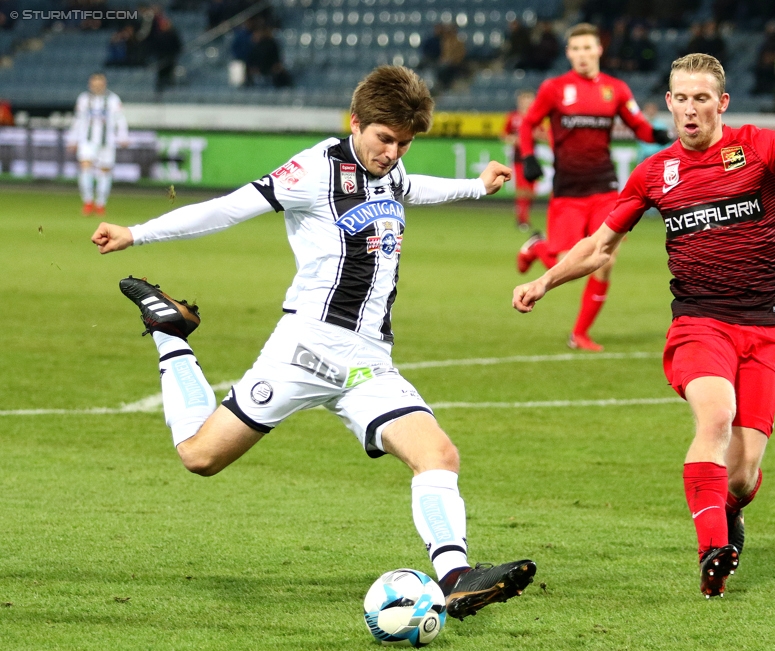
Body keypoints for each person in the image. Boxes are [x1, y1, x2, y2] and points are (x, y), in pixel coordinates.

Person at [90, 65, 536, 619]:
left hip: (370, 362)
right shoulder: (313, 169)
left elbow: (412, 187)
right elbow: (229, 207)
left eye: (404, 143)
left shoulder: (391, 172)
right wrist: (139, 233)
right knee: (200, 457)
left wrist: (476, 184)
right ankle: (170, 334)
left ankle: (458, 578)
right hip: (306, 350)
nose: (393, 152)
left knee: (438, 454)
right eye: (384, 139)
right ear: (355, 122)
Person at [513, 53, 775, 599]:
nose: (690, 110)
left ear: (722, 103)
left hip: (767, 326)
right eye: (681, 99)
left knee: (742, 474)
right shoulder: (654, 173)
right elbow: (599, 245)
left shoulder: (762, 146)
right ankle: (712, 552)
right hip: (699, 322)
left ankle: (730, 511)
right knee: (715, 417)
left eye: (701, 99)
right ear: (668, 103)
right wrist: (545, 281)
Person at [515, 22, 670, 352]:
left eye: (589, 48)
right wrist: (529, 157)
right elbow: (528, 123)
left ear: (599, 49)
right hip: (568, 191)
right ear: (568, 53)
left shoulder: (616, 89)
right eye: (576, 49)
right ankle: (535, 247)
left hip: (605, 188)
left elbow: (638, 125)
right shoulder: (555, 88)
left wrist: (658, 135)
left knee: (605, 259)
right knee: (562, 259)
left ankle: (580, 334)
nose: (583, 55)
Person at [67, 73, 128, 216]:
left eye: (100, 83)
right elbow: (78, 120)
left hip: (107, 142)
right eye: (94, 83)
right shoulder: (83, 99)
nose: (97, 86)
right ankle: (88, 201)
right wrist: (72, 139)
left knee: (104, 172)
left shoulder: (113, 100)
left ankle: (100, 203)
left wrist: (123, 136)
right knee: (85, 166)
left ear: (104, 84)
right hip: (87, 141)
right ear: (90, 84)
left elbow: (120, 119)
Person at [502, 89, 548, 231]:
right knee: (522, 189)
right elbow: (504, 135)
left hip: (532, 157)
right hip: (518, 158)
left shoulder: (536, 118)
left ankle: (523, 215)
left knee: (531, 190)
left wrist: (534, 136)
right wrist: (513, 140)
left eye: (529, 99)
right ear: (519, 101)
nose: (527, 102)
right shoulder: (513, 117)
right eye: (524, 99)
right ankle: (522, 219)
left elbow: (544, 135)